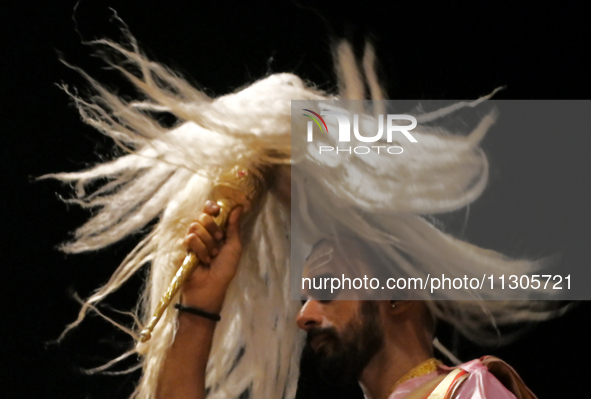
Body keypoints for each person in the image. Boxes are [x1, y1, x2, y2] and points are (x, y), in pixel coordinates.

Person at [156, 200, 537, 399]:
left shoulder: (469, 392)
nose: (303, 316)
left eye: (325, 290)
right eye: (303, 299)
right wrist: (199, 308)